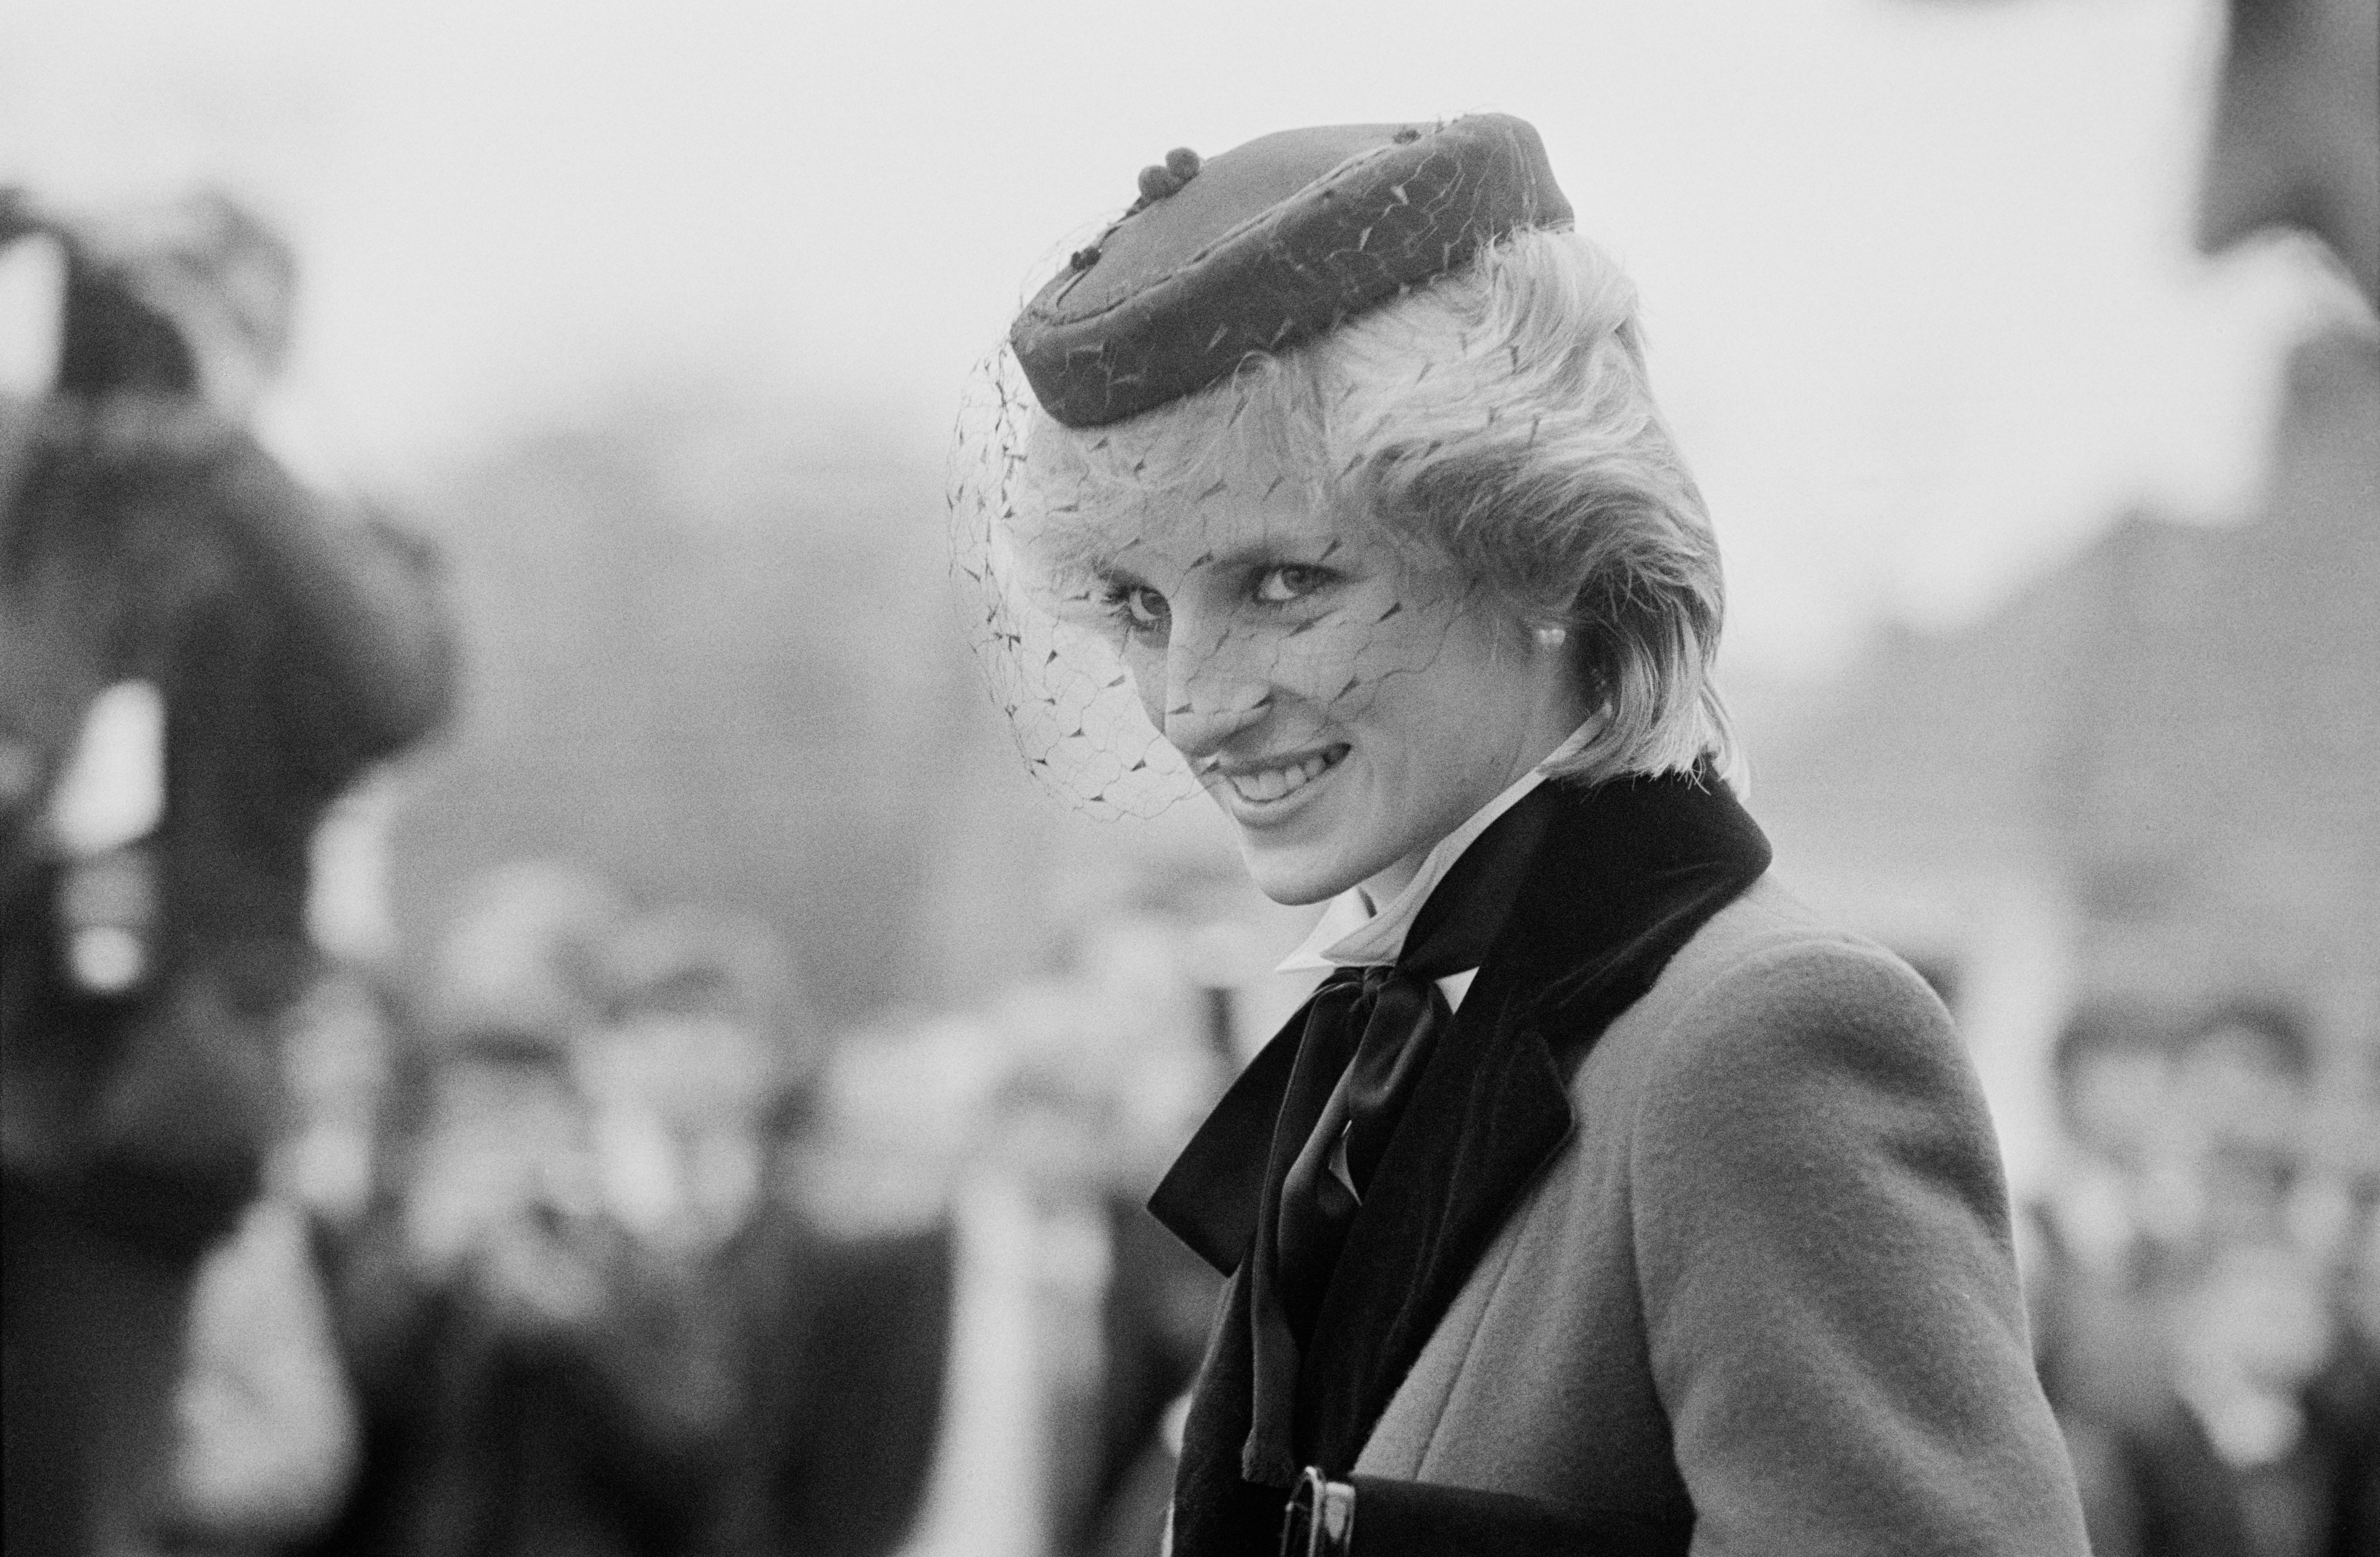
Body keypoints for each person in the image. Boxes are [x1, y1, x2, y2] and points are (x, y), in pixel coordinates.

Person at [951, 115, 2091, 1555]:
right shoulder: (1408, 1028)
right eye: (1138, 607)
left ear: (1540, 539)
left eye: (1287, 581)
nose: (1191, 706)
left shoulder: (1760, 1046)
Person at [1, 188, 454, 1557]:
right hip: (16, 1017)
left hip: (149, 1108)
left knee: (76, 1509)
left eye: (212, 310)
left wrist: (231, 445)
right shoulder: (43, 496)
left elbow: (398, 691)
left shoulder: (316, 530)